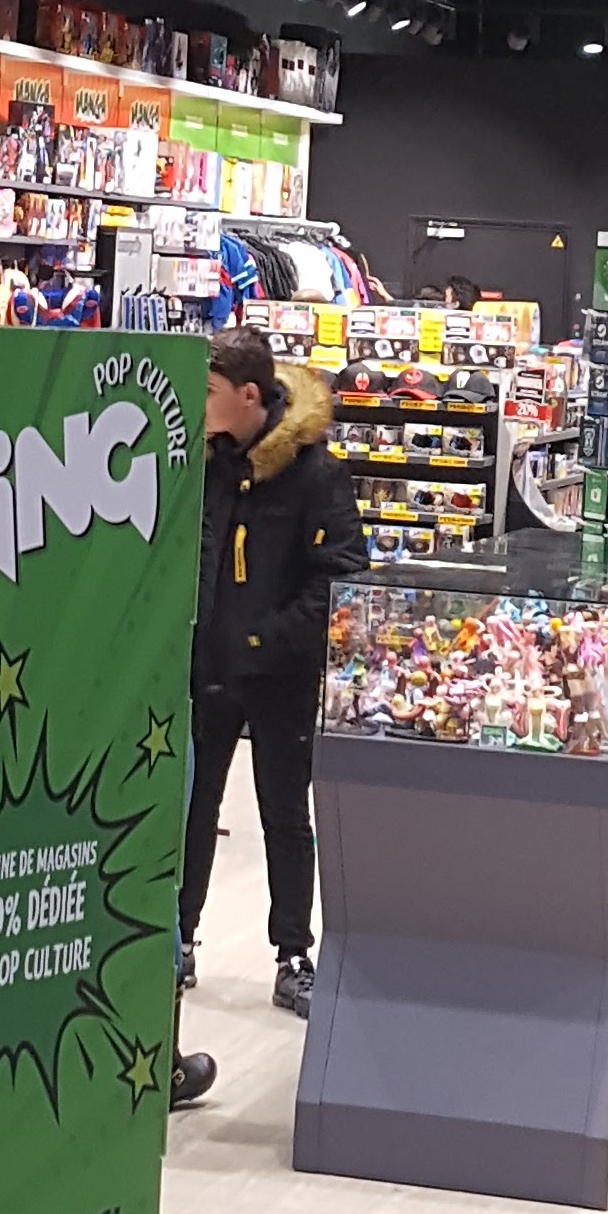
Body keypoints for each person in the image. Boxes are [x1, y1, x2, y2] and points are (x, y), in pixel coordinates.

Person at [174, 334, 366, 1078]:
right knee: (191, 808)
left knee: (286, 814)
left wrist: (265, 639)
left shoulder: (316, 475)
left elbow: (340, 576)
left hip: (281, 675)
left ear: (248, 395)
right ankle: (178, 942)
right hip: (206, 668)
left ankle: (293, 955)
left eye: (209, 391)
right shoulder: (202, 465)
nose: (199, 404)